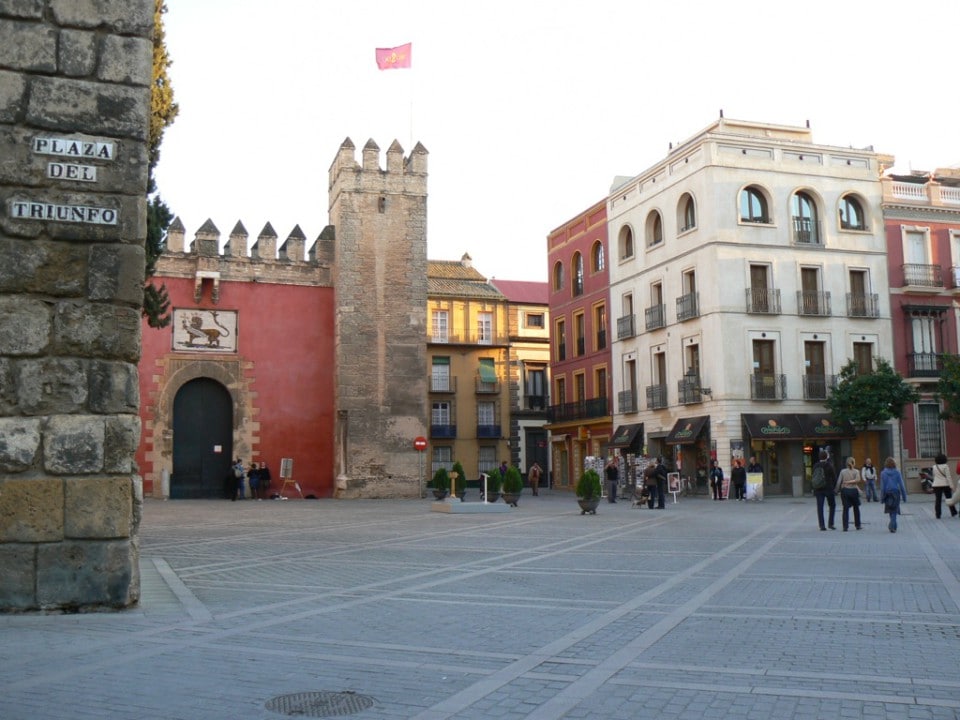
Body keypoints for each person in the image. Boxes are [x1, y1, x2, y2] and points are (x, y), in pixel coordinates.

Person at [880, 456, 907, 533]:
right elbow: (902, 485)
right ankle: (893, 526)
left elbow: (882, 487)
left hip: (887, 493)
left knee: (890, 509)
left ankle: (892, 525)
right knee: (894, 510)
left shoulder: (883, 473)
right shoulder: (897, 472)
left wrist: (882, 498)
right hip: (896, 493)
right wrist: (904, 496)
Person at [835, 456, 863, 531]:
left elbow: (838, 482)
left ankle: (845, 526)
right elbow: (857, 480)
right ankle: (858, 525)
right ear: (854, 463)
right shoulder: (856, 471)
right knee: (856, 508)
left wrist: (837, 490)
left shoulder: (842, 471)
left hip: (845, 491)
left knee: (845, 509)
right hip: (853, 491)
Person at [813, 450, 837, 531]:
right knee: (832, 505)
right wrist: (835, 488)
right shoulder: (829, 465)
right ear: (827, 457)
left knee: (820, 507)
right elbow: (834, 477)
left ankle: (822, 525)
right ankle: (831, 523)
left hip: (818, 489)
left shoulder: (816, 465)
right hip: (828, 488)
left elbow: (814, 477)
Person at [930, 452, 956, 519]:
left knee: (938, 500)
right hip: (945, 484)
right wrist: (952, 486)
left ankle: (938, 514)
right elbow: (948, 477)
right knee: (949, 498)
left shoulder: (934, 467)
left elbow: (934, 476)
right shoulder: (946, 466)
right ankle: (953, 512)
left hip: (936, 485)